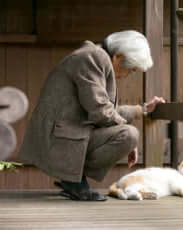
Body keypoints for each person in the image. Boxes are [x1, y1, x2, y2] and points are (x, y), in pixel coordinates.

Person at [18, 30, 165, 201]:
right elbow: (101, 111)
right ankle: (73, 179)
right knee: (129, 134)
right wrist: (128, 135)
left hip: (67, 133)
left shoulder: (94, 56)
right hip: (58, 138)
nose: (127, 75)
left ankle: (73, 179)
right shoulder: (94, 58)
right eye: (131, 70)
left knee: (128, 133)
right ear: (118, 57)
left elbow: (106, 111)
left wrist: (143, 109)